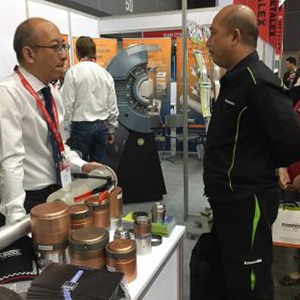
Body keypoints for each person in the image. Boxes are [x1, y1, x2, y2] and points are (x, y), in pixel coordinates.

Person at [194, 4, 300, 300]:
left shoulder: (258, 82)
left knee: (250, 286)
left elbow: (291, 141)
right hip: (229, 204)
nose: (208, 41)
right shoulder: (235, 80)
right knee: (229, 279)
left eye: (213, 33)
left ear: (234, 36)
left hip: (246, 205)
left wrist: (261, 166)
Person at [0, 18, 103, 226]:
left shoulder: (53, 94)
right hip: (28, 199)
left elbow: (59, 147)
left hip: (58, 191)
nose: (64, 55)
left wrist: (83, 166)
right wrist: (16, 223)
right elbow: (10, 163)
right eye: (56, 47)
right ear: (29, 54)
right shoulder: (8, 94)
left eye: (64, 46)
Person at [61, 36, 119, 163]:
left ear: (77, 52)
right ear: (94, 52)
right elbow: (112, 105)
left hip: (80, 128)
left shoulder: (73, 72)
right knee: (98, 168)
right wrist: (112, 129)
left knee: (79, 166)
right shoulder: (105, 74)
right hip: (101, 127)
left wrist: (66, 130)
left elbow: (67, 105)